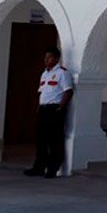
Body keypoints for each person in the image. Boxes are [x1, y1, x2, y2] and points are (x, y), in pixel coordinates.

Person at [24, 47, 74, 179]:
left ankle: (52, 168)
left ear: (56, 58)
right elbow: (42, 92)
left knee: (54, 140)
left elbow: (68, 91)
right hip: (43, 109)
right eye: (45, 57)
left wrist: (60, 107)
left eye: (49, 57)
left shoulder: (62, 73)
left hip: (54, 109)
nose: (46, 60)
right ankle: (39, 167)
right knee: (40, 140)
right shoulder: (44, 74)